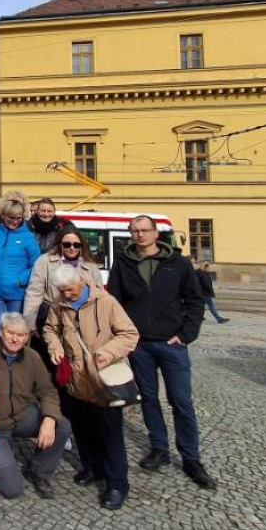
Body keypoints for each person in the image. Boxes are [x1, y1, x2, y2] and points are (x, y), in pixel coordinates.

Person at [107, 215, 215, 490]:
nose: (140, 235)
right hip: (140, 344)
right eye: (135, 231)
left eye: (145, 230)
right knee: (149, 399)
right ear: (131, 235)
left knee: (181, 401)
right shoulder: (123, 263)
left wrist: (187, 334)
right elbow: (115, 302)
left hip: (172, 343)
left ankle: (191, 458)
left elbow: (194, 300)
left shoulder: (178, 263)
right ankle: (159, 448)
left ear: (156, 233)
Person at [43, 267, 140, 510]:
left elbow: (129, 334)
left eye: (71, 289)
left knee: (110, 433)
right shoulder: (59, 303)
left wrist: (108, 353)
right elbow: (49, 330)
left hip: (102, 380)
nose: (68, 294)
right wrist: (55, 346)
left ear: (82, 281)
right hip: (76, 380)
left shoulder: (106, 302)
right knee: (83, 429)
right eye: (63, 291)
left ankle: (117, 483)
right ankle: (91, 467)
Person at [0, 313, 72, 499]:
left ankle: (38, 471)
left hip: (20, 416)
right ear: (1, 331)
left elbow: (48, 391)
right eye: (11, 333)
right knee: (12, 490)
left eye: (21, 335)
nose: (15, 339)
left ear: (27, 337)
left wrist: (49, 420)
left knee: (62, 425)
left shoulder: (32, 357)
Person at [23, 225, 104, 341]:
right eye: (67, 244)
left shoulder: (91, 266)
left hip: (82, 320)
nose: (72, 248)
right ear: (59, 244)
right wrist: (29, 324)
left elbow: (99, 297)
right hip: (51, 318)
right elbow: (34, 294)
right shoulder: (44, 261)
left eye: (76, 245)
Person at [0, 196, 38, 338]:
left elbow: (36, 265)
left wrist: (20, 280)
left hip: (16, 294)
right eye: (11, 217)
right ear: (3, 215)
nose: (15, 221)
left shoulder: (28, 237)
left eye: (18, 217)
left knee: (13, 336)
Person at [190, 258, 228, 324]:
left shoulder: (202, 273)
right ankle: (219, 319)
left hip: (203, 293)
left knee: (200, 306)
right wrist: (210, 291)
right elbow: (206, 284)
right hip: (205, 293)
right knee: (211, 307)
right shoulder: (202, 274)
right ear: (203, 267)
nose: (209, 269)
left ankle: (199, 317)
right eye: (208, 268)